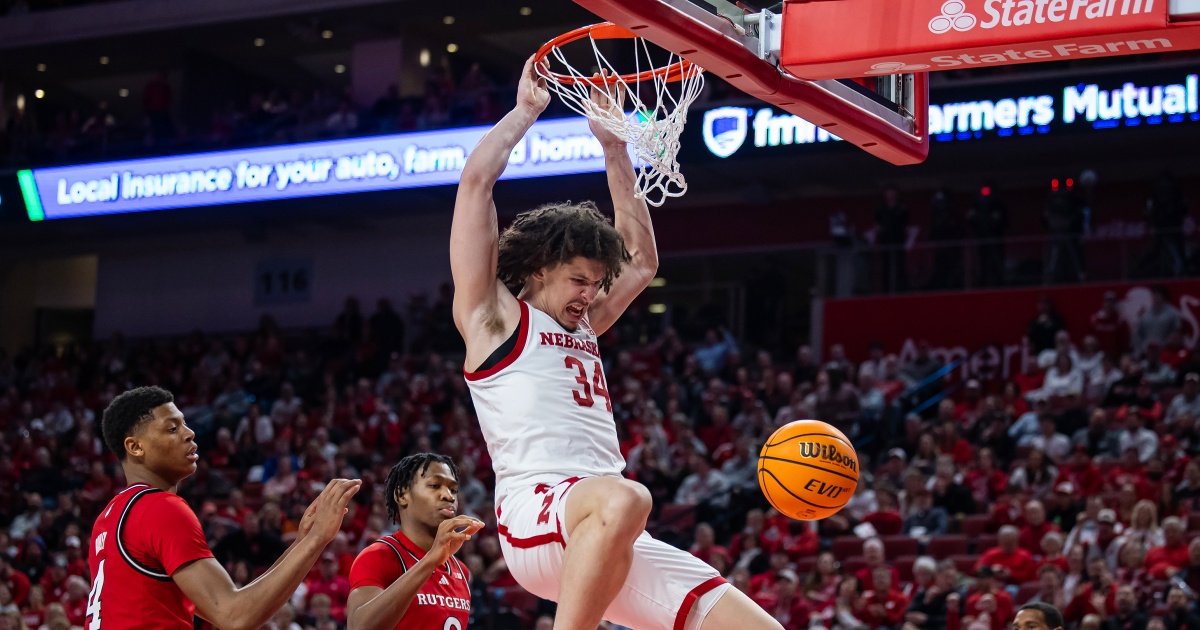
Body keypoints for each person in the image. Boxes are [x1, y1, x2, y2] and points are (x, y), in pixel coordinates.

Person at [450, 57, 780, 630]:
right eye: (579, 281)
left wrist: (614, 148)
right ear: (540, 267)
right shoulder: (493, 320)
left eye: (597, 284)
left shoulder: (583, 326)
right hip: (539, 517)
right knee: (627, 497)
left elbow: (643, 259)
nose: (591, 295)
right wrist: (525, 112)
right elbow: (476, 185)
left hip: (606, 531)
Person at [91, 386, 361, 630]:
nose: (189, 433)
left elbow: (227, 607)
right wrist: (317, 539)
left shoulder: (108, 517)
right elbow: (234, 616)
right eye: (172, 429)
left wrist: (300, 544)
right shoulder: (160, 508)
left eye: (184, 424)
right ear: (135, 446)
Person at [346, 453, 483, 629]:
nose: (449, 496)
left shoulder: (461, 571)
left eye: (453, 490)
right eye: (434, 485)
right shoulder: (379, 556)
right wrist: (430, 562)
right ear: (402, 495)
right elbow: (358, 627)